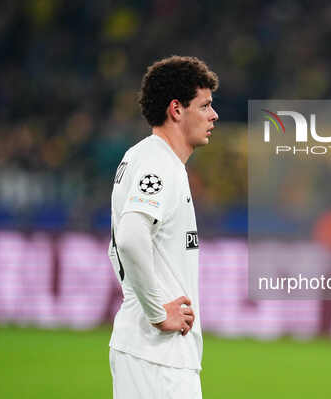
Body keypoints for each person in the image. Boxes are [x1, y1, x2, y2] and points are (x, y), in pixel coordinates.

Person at [107, 55, 219, 399]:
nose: (213, 115)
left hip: (145, 353)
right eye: (205, 105)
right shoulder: (160, 165)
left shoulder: (141, 156)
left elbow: (116, 248)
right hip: (159, 359)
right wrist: (157, 312)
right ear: (176, 110)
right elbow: (128, 240)